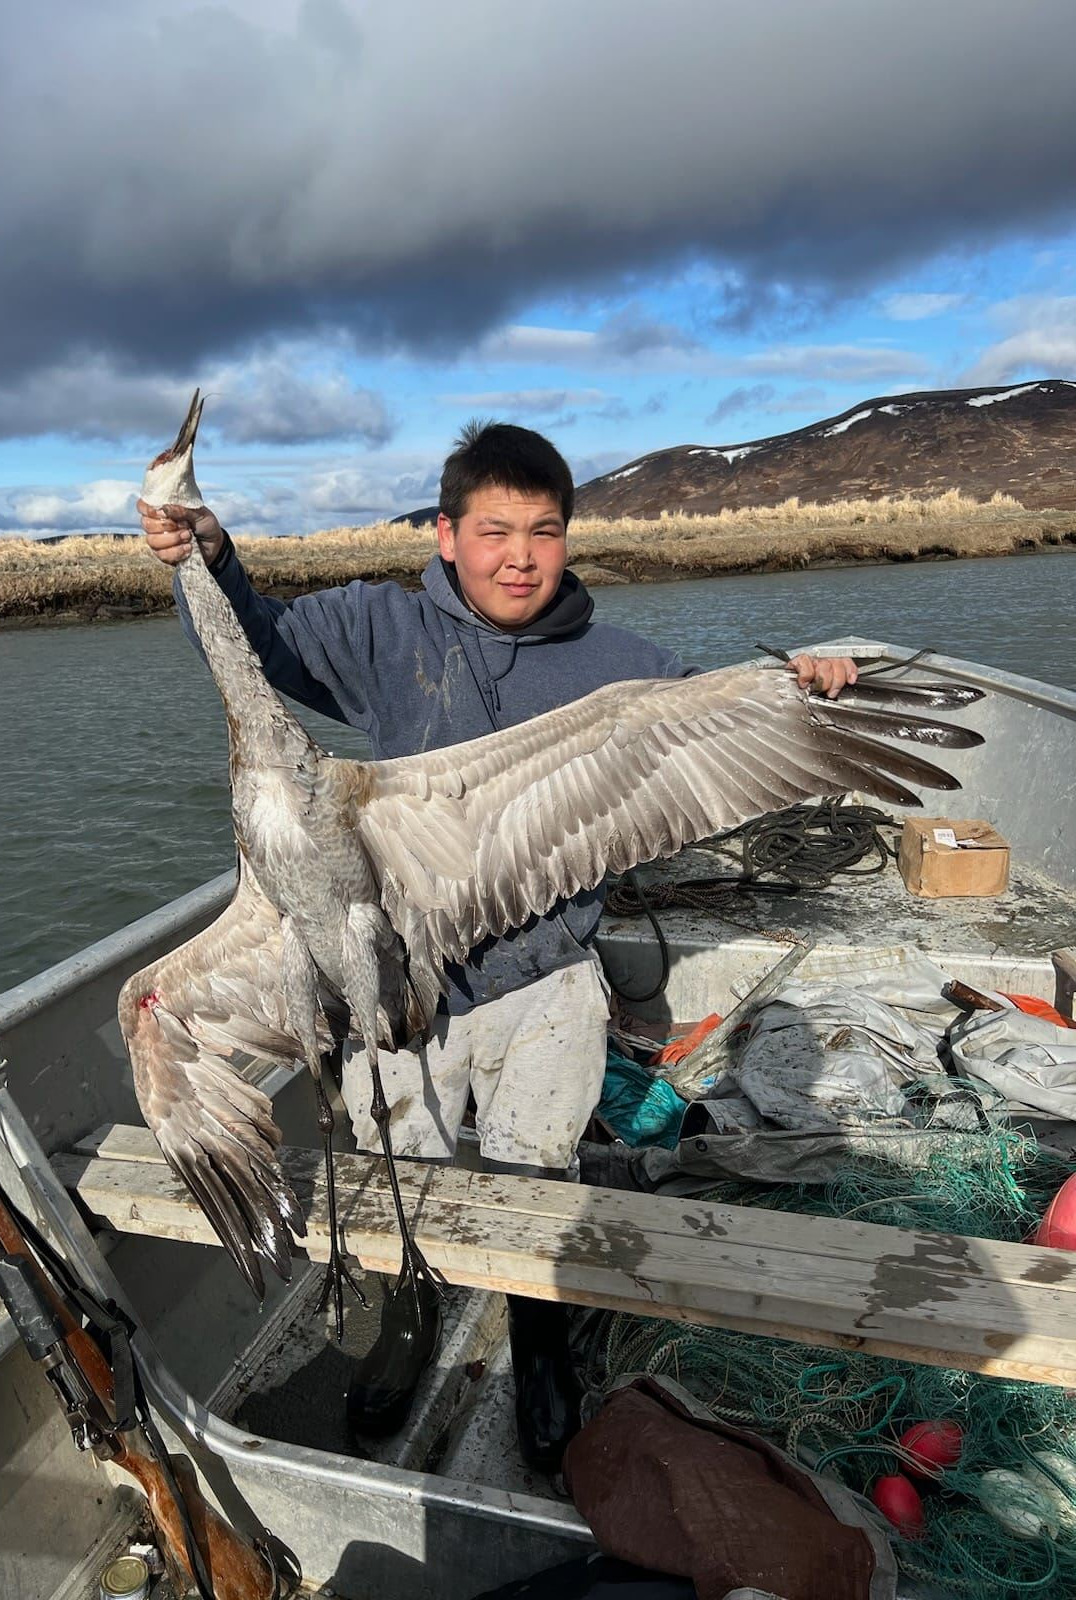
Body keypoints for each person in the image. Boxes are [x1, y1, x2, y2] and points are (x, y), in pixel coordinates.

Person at [139, 422, 857, 1471]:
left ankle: (541, 1339)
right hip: (402, 989)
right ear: (445, 535)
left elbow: (719, 731)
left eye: (544, 531)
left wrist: (809, 688)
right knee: (405, 1167)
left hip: (547, 981)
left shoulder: (621, 668)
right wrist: (208, 559)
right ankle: (408, 1316)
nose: (518, 555)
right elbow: (258, 642)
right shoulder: (377, 628)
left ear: (568, 539)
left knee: (535, 1173)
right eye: (493, 531)